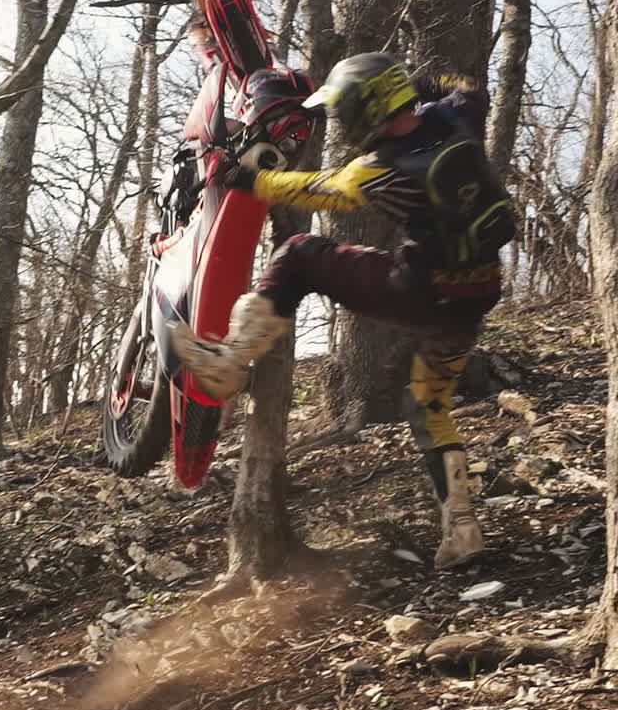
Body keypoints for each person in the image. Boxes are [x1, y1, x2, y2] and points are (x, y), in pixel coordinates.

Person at [171, 52, 515, 571]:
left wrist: (245, 178)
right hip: (473, 300)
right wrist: (426, 83)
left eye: (346, 111)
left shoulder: (379, 168)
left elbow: (314, 189)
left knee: (300, 254)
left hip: (418, 292)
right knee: (429, 404)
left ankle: (229, 363)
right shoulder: (456, 115)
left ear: (365, 110)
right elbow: (467, 86)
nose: (344, 123)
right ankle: (462, 527)